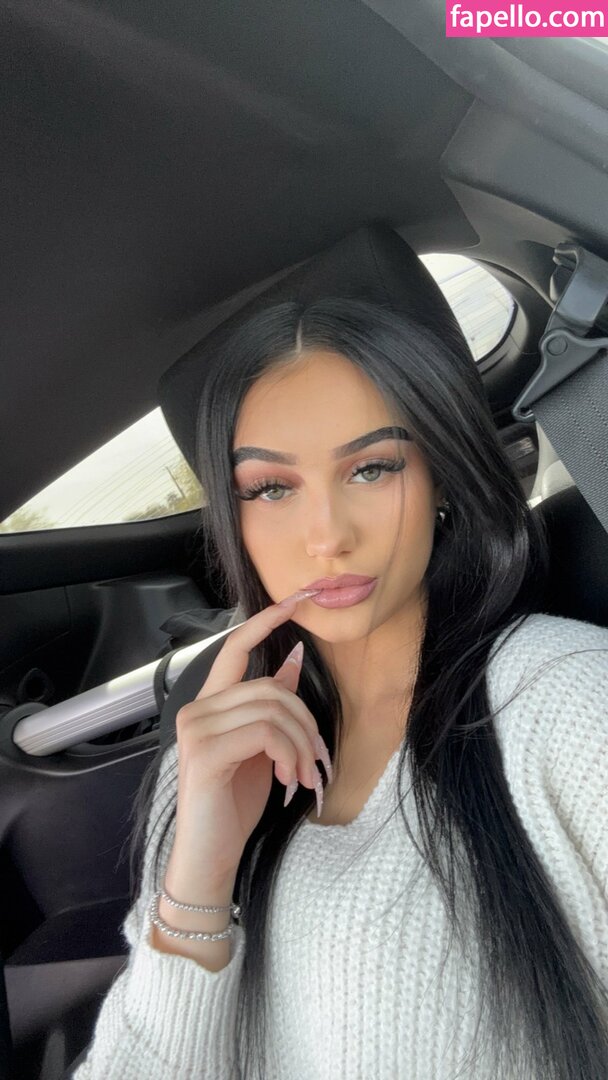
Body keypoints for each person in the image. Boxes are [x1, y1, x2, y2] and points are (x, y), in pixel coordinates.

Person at [73, 297, 608, 1079]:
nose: (327, 536)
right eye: (271, 488)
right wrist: (201, 873)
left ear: (441, 478)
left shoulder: (570, 701)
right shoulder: (212, 755)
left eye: (372, 468)